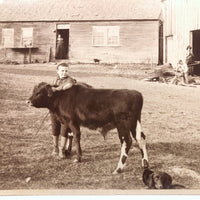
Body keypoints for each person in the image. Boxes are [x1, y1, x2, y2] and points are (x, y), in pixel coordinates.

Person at [51, 62, 76, 158]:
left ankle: (62, 150)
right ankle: (55, 148)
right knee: (54, 127)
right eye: (62, 70)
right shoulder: (55, 80)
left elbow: (68, 85)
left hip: (65, 109)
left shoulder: (70, 80)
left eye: (66, 71)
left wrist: (58, 89)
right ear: (58, 71)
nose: (64, 72)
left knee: (64, 128)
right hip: (54, 109)